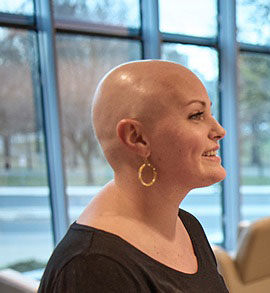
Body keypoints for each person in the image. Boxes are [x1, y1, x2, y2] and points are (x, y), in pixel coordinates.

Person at [38, 60, 229, 292]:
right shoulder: (93, 267)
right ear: (137, 137)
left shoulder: (187, 225)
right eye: (196, 115)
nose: (219, 131)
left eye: (209, 112)